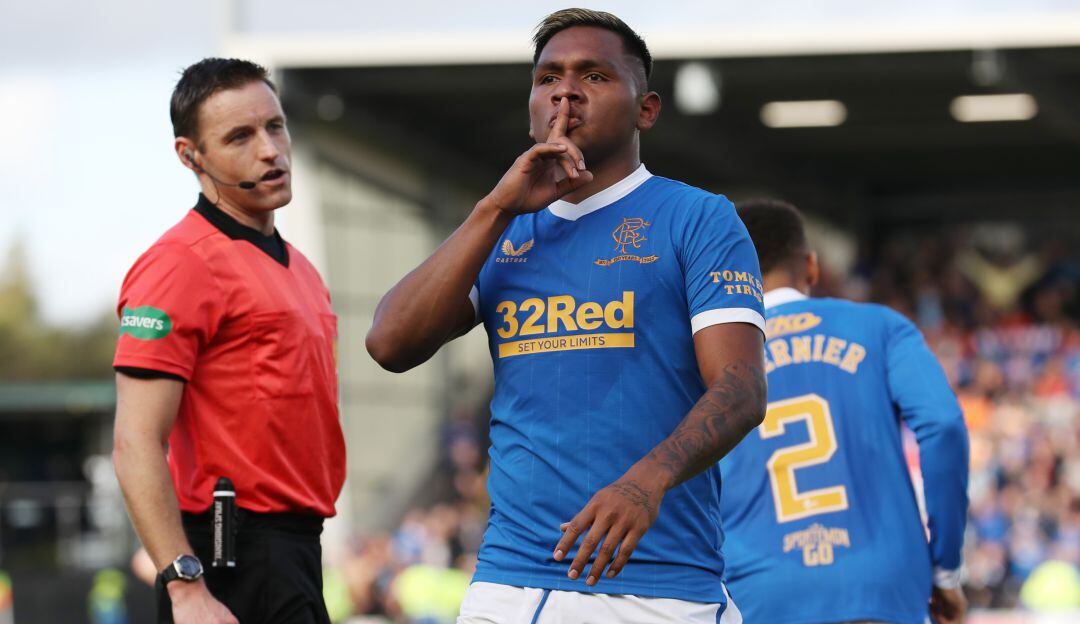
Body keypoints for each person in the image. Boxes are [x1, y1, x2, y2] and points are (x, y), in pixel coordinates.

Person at [367, 8, 766, 622]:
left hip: (654, 586)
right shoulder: (502, 229)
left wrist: (646, 480)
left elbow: (741, 390)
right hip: (506, 584)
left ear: (646, 109)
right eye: (548, 78)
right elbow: (389, 344)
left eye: (594, 76)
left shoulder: (698, 217)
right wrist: (494, 209)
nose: (566, 92)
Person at [112, 58, 343, 624]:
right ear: (190, 156)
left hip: (297, 551)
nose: (270, 150)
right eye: (240, 136)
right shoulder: (177, 265)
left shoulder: (302, 269)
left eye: (275, 126)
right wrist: (185, 585)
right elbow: (135, 441)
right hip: (226, 559)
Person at [719, 199, 970, 624]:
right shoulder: (881, 326)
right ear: (811, 266)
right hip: (880, 586)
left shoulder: (707, 356)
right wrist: (945, 568)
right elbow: (943, 424)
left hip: (760, 593)